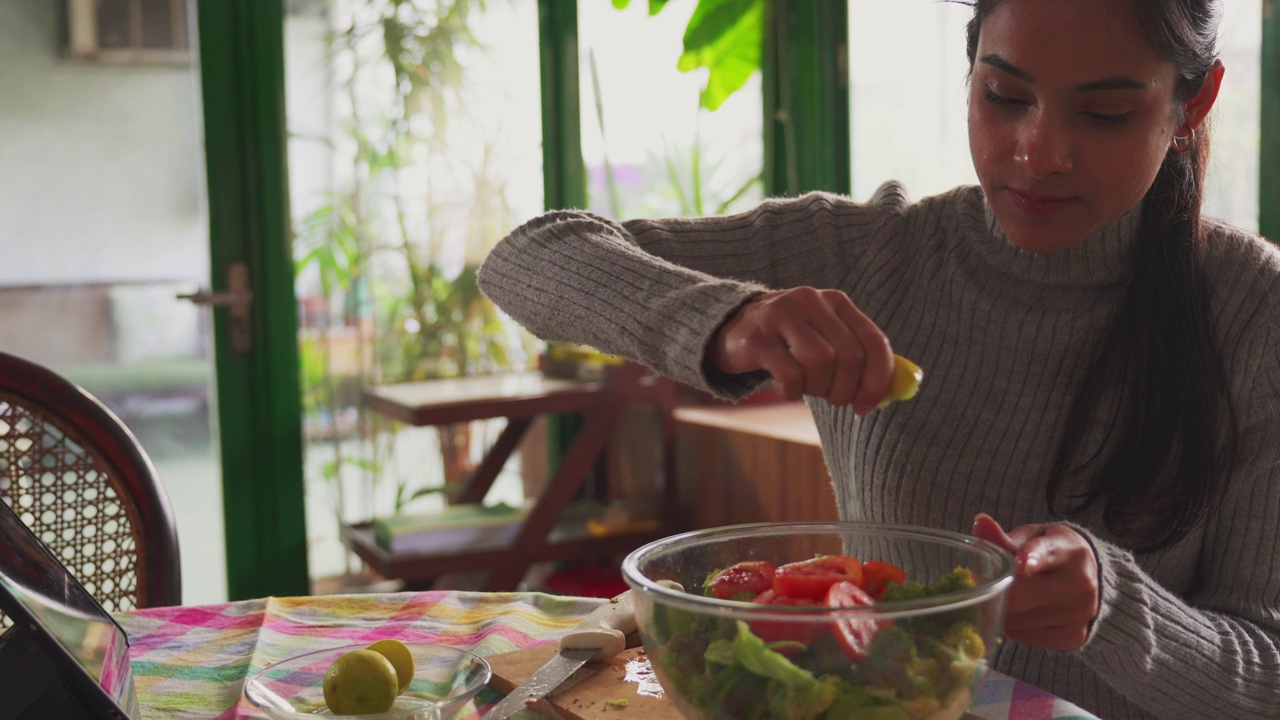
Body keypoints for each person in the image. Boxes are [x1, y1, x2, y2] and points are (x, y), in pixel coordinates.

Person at [477, 0, 1280, 717]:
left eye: (1103, 113)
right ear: (969, 69)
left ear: (1192, 103)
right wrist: (729, 321)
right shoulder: (870, 251)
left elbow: (1265, 674)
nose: (1039, 152)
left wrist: (1116, 610)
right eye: (1004, 96)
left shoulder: (1253, 310)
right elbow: (527, 258)